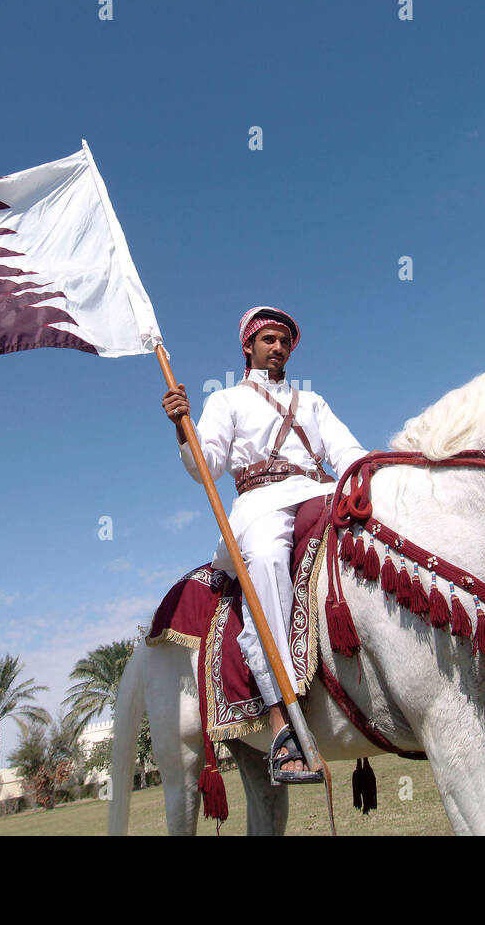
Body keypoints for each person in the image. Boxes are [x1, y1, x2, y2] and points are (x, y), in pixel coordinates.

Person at [162, 306, 369, 783]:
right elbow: (206, 466)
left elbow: (347, 451)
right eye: (269, 339)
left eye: (284, 341)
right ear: (248, 347)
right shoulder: (227, 400)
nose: (278, 347)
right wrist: (181, 425)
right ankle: (282, 717)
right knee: (267, 558)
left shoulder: (312, 402)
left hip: (317, 491)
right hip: (261, 503)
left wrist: (370, 473)